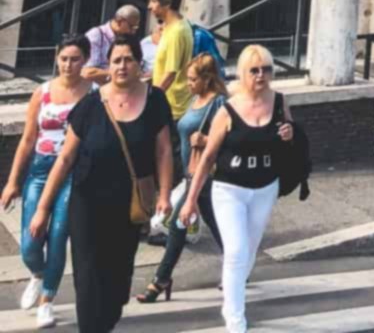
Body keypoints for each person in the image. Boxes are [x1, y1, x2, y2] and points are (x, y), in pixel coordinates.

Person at [28, 38, 173, 333]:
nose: (122, 66)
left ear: (139, 64)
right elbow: (66, 157)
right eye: (116, 60)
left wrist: (166, 195)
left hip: (129, 204)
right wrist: (43, 208)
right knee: (88, 273)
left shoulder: (155, 99)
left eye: (128, 59)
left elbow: (164, 150)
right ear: (108, 65)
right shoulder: (90, 105)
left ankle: (105, 319)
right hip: (87, 201)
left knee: (118, 276)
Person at [178, 46, 294, 333]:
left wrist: (289, 134)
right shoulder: (228, 108)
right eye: (254, 70)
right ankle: (235, 315)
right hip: (229, 189)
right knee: (237, 250)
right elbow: (207, 158)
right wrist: (190, 200)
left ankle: (233, 290)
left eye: (266, 69)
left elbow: (289, 141)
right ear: (243, 72)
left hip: (265, 187)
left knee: (250, 250)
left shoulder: (279, 101)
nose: (261, 75)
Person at [1, 35, 92, 329]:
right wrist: (13, 180)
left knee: (57, 237)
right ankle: (38, 275)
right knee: (30, 242)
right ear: (56, 58)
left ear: (85, 60)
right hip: (40, 169)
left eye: (75, 59)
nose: (68, 64)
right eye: (64, 58)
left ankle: (47, 301)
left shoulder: (93, 94)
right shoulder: (42, 92)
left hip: (73, 173)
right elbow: (28, 139)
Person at [136, 54, 226, 304]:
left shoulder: (219, 103)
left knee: (178, 222)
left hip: (207, 174)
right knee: (215, 223)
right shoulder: (196, 99)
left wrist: (207, 141)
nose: (188, 83)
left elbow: (231, 138)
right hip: (190, 173)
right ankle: (238, 265)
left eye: (193, 79)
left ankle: (161, 279)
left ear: (207, 79)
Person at [147, 0, 194, 122]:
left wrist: (152, 100)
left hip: (172, 107)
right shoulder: (173, 26)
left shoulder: (176, 32)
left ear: (167, 4)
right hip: (169, 103)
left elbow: (170, 74)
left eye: (154, 1)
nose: (150, 6)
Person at [83, 7, 142, 86]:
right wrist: (120, 73)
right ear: (119, 21)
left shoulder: (128, 39)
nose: (133, 32)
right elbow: (88, 73)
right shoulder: (96, 35)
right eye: (131, 27)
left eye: (136, 28)